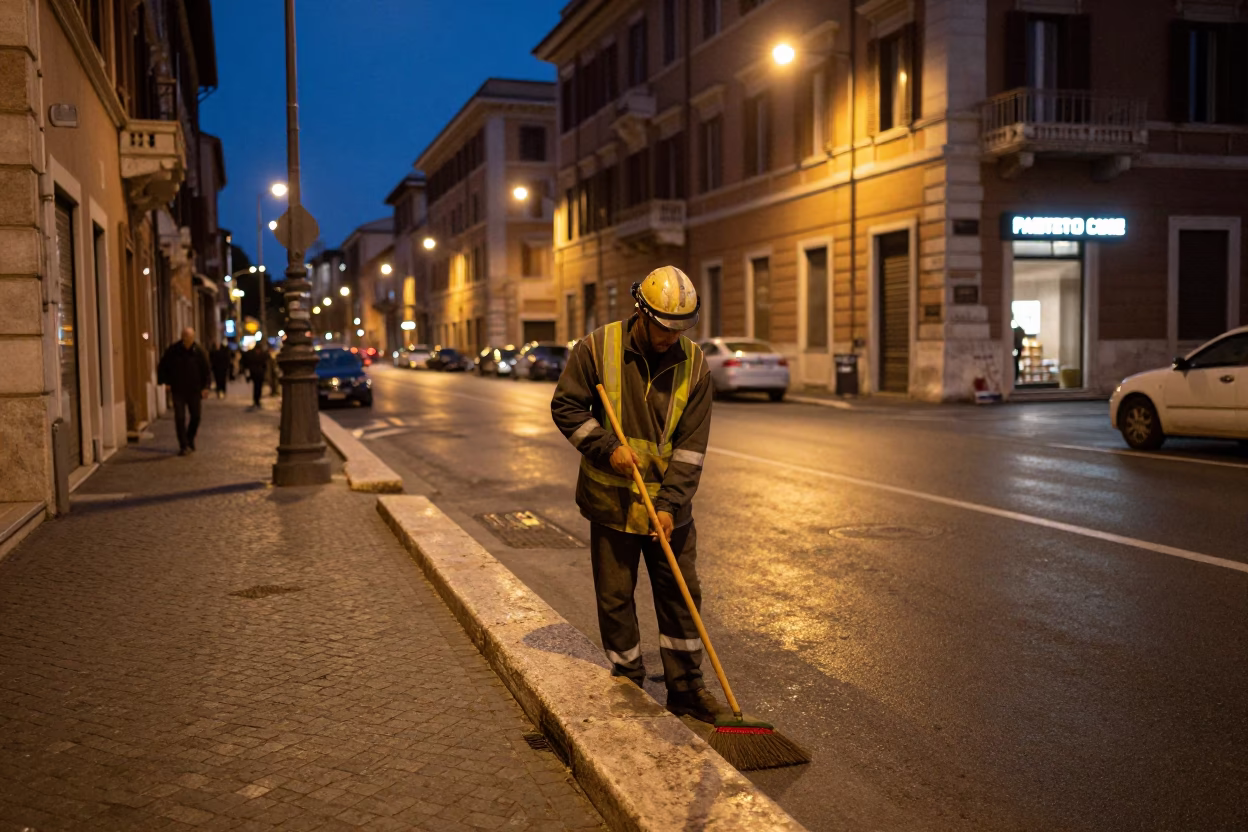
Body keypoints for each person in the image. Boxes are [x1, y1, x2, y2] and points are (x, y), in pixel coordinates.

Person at [551, 266, 724, 724]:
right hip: (611, 503)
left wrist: (669, 506)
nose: (672, 338)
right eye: (664, 328)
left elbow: (690, 449)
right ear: (641, 313)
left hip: (668, 509)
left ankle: (686, 688)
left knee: (681, 596)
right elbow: (565, 406)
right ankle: (629, 677)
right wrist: (607, 449)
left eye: (681, 329)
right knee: (615, 597)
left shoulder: (696, 365)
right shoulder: (596, 348)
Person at [157, 327, 211, 455]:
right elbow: (163, 366)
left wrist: (205, 387)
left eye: (189, 337)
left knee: (196, 416)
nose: (186, 339)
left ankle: (189, 438)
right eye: (184, 337)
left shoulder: (199, 351)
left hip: (194, 390)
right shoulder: (173, 350)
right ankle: (183, 445)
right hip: (178, 389)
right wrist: (165, 382)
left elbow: (206, 371)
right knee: (179, 418)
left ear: (193, 338)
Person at [241, 343, 269, 408]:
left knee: (259, 387)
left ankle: (257, 400)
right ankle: (256, 400)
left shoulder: (262, 354)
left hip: (260, 373)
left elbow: (265, 364)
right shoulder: (252, 354)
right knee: (256, 387)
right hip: (255, 373)